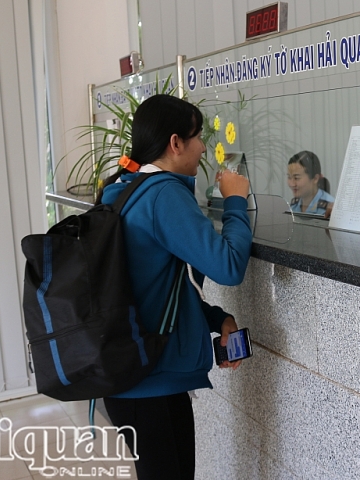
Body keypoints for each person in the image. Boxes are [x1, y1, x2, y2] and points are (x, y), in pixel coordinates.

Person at [97, 94, 252, 479]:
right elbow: (228, 266)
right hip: (151, 388)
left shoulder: (125, 188)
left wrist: (217, 318)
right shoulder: (163, 193)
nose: (203, 147)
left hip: (138, 380)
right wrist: (235, 201)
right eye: (197, 136)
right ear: (175, 143)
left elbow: (157, 285)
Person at [287, 150, 334, 215]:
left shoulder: (330, 209)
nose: (292, 184)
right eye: (289, 177)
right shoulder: (294, 205)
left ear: (315, 179)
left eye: (296, 178)